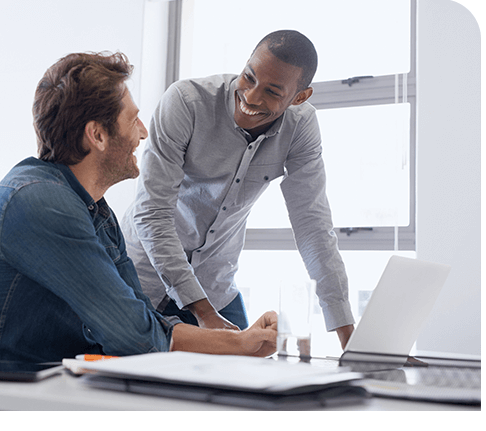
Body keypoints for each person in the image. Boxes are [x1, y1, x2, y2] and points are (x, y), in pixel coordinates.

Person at [0, 51, 278, 363]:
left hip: (57, 379)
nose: (143, 132)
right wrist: (240, 343)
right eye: (133, 119)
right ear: (97, 135)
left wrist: (243, 342)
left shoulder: (93, 208)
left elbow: (142, 319)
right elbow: (135, 337)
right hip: (5, 389)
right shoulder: (40, 203)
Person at [121, 30, 356, 349]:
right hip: (142, 278)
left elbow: (313, 227)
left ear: (299, 97)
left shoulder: (300, 127)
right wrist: (204, 314)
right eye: (249, 77)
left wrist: (351, 339)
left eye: (273, 92)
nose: (252, 97)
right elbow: (152, 214)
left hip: (216, 286)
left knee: (242, 383)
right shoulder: (186, 102)